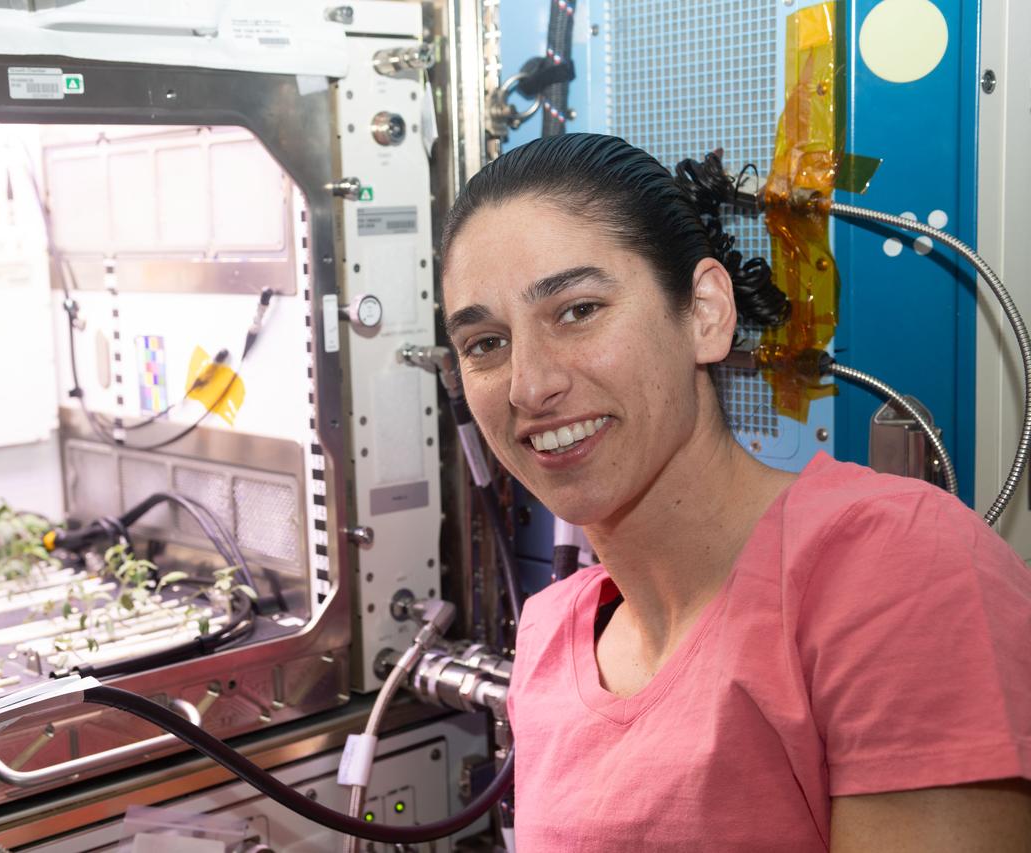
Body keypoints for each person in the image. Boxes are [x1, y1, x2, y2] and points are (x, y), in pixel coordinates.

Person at [439, 133, 1031, 851]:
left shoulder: (897, 569)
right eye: (485, 344)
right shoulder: (548, 632)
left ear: (706, 312)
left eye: (578, 310)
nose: (531, 385)